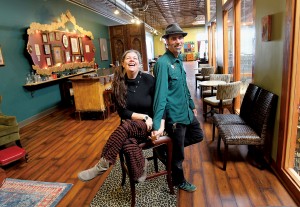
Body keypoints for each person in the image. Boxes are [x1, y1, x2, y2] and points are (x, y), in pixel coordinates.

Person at [78, 50, 165, 182]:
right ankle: (141, 165)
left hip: (148, 125)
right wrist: (142, 116)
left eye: (135, 58)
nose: (131, 60)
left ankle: (104, 163)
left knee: (125, 127)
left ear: (139, 63)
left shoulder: (149, 80)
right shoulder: (119, 84)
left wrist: (155, 123)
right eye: (128, 58)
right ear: (123, 64)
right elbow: (122, 112)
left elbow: (161, 103)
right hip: (131, 124)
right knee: (126, 141)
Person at [151, 23, 204, 192]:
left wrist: (191, 104)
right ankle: (179, 181)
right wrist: (157, 123)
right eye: (174, 38)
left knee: (198, 135)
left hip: (185, 111)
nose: (178, 41)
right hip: (174, 115)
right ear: (166, 41)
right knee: (179, 156)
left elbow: (183, 85)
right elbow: (160, 95)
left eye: (180, 38)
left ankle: (167, 150)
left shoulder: (179, 59)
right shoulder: (163, 63)